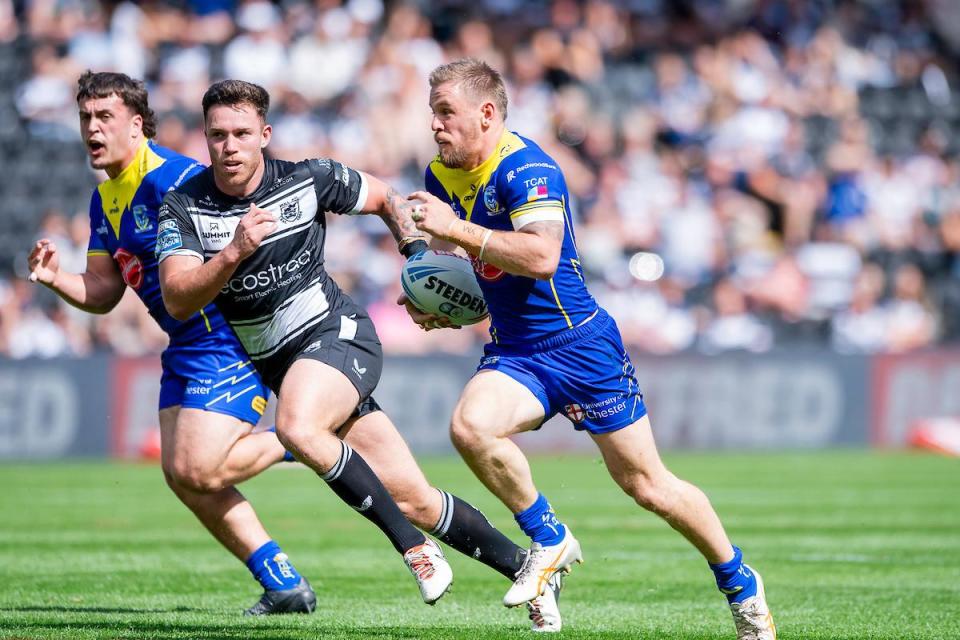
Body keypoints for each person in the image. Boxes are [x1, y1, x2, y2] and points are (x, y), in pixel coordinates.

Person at [155, 79, 564, 630]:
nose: (229, 145)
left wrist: (416, 258)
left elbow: (385, 199)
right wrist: (233, 251)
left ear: (264, 136)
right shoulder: (183, 207)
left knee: (298, 428)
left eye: (242, 134)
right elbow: (179, 298)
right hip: (281, 365)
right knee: (415, 497)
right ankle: (529, 570)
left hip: (338, 335)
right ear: (205, 139)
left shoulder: (307, 179)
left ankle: (413, 551)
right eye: (218, 135)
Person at [400, 58, 777, 639]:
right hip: (516, 350)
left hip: (580, 345)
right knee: (471, 427)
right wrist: (442, 304)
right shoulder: (440, 175)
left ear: (487, 114)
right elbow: (474, 266)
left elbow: (541, 256)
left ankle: (740, 582)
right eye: (433, 113)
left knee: (648, 486)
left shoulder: (529, 168)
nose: (435, 126)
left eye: (446, 113)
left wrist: (455, 231)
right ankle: (550, 539)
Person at [27, 71, 318, 616]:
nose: (93, 128)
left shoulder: (179, 179)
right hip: (183, 343)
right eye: (86, 118)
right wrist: (54, 279)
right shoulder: (103, 201)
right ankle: (283, 582)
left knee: (201, 469)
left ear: (136, 125)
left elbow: (250, 235)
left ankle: (304, 435)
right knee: (183, 477)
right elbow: (104, 292)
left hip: (226, 336)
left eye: (105, 117)